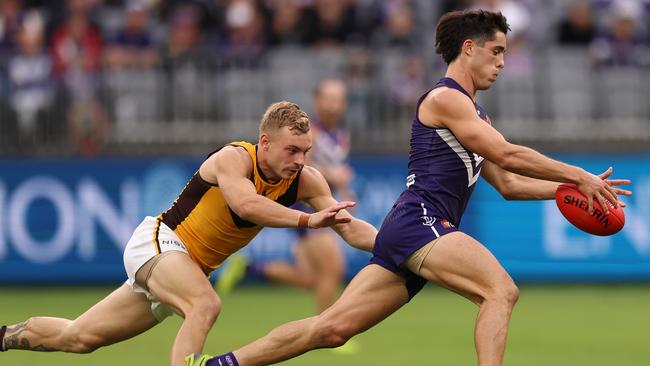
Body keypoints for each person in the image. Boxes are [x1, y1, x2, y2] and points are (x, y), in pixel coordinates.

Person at [188, 9, 633, 366]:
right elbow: (508, 155)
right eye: (496, 52)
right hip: (423, 222)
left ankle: (222, 364)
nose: (502, 62)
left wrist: (569, 194)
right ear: (469, 48)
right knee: (500, 291)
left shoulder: (475, 115)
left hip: (412, 228)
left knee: (330, 329)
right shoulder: (445, 99)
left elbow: (511, 184)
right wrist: (577, 175)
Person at [0, 101, 378, 366]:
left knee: (78, 338)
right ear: (265, 142)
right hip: (160, 243)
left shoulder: (306, 180)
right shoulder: (235, 158)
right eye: (291, 150)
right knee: (206, 304)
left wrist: (406, 245)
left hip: (186, 269)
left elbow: (348, 227)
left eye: (305, 151)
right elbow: (247, 205)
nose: (299, 160)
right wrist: (307, 221)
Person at [217, 80, 355, 322]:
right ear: (317, 101)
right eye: (329, 99)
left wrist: (344, 190)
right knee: (332, 270)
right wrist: (333, 175)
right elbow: (301, 166)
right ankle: (326, 328)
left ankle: (250, 268)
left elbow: (334, 170)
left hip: (320, 202)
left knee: (311, 278)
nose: (335, 105)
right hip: (306, 205)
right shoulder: (308, 132)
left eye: (339, 99)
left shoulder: (341, 134)